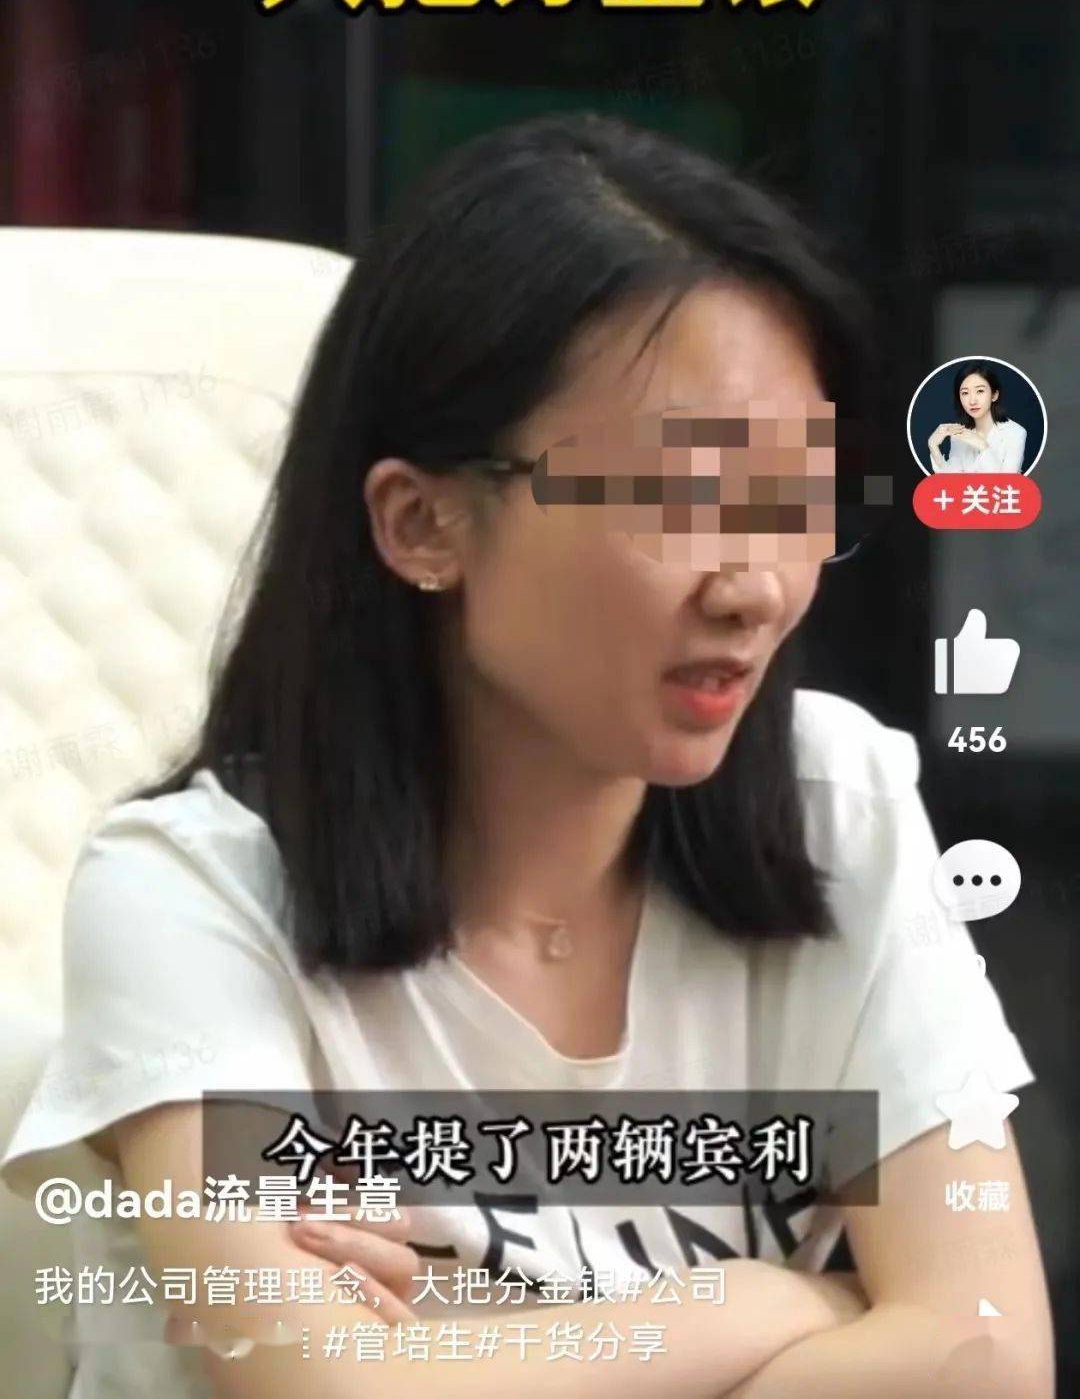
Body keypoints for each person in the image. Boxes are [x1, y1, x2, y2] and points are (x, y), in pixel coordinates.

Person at [1, 112, 1053, 1398]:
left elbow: (986, 1349)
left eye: (796, 496)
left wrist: (463, 1348)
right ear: (423, 521)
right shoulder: (186, 896)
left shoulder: (838, 804)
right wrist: (766, 1299)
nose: (757, 586)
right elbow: (332, 1390)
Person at [928, 362, 1028, 474]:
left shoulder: (1015, 433)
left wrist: (983, 446)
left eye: (980, 391)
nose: (972, 401)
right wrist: (933, 447)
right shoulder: (958, 435)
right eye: (965, 393)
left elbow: (1008, 481)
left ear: (994, 395)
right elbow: (952, 480)